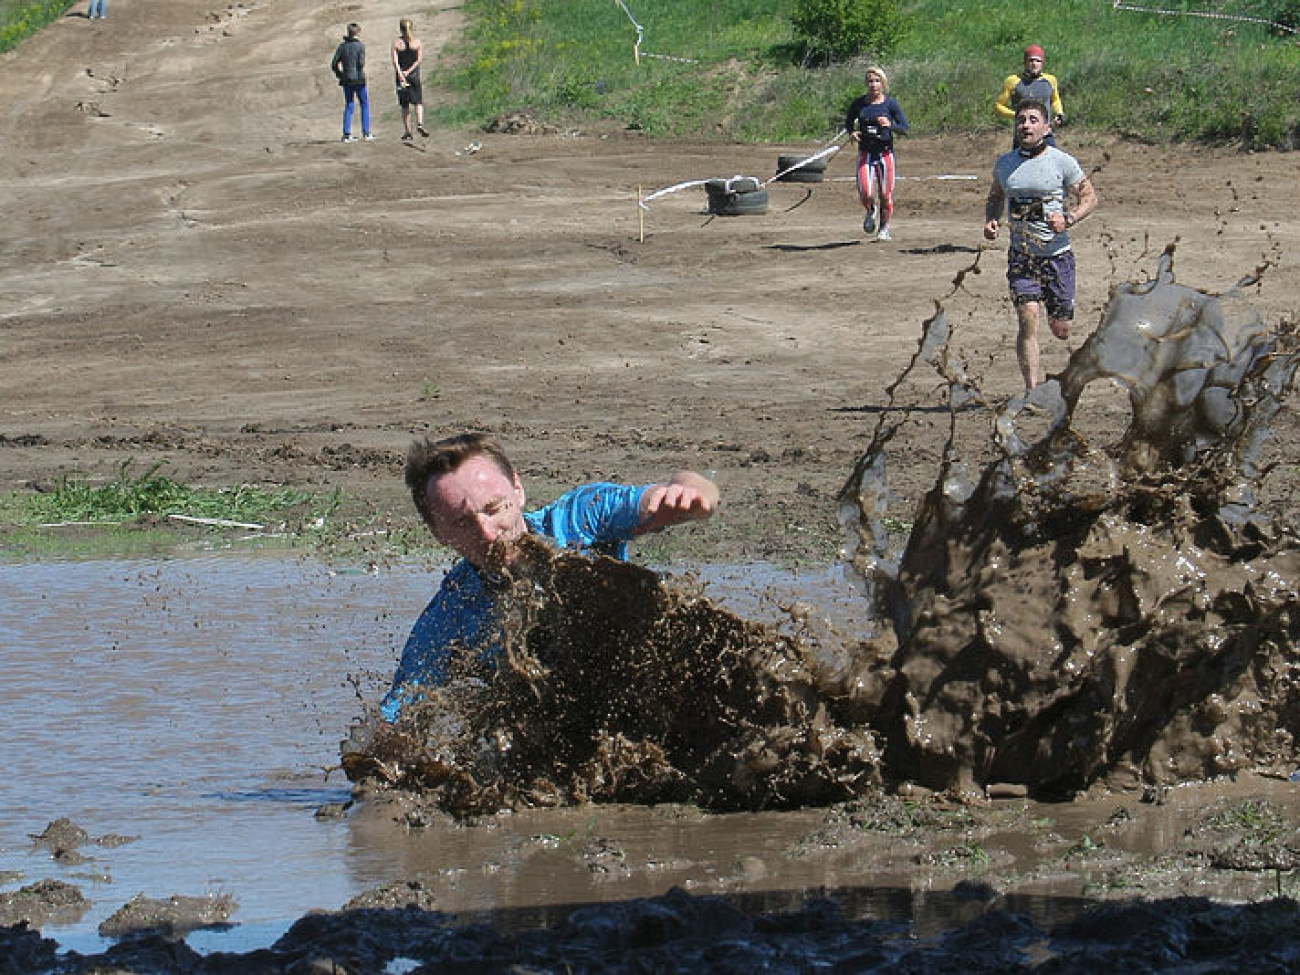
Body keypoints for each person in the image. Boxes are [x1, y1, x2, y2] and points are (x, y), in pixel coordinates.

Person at [381, 432, 720, 720]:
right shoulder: (447, 618)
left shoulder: (578, 521)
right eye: (462, 523)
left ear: (517, 489)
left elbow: (674, 490)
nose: (487, 534)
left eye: (495, 509)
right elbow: (397, 716)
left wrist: (689, 492)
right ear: (438, 532)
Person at [983, 99, 1097, 391]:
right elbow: (996, 196)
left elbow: (1090, 198)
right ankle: (1032, 390)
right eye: (1021, 120)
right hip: (1022, 257)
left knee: (1061, 329)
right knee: (1027, 319)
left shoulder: (1062, 161)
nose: (1026, 125)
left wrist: (1068, 219)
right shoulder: (1005, 164)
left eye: (1033, 120)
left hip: (1056, 257)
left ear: (1046, 127)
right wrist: (992, 219)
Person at [844, 66, 909, 242]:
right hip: (865, 153)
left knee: (886, 194)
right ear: (866, 83)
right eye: (870, 81)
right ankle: (870, 209)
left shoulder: (890, 104)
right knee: (865, 191)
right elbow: (848, 123)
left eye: (877, 81)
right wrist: (852, 133)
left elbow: (905, 128)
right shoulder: (859, 104)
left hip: (885, 154)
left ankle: (884, 227)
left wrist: (889, 125)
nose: (874, 84)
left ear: (883, 83)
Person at [994, 44, 1065, 147]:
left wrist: (1059, 113)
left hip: (1045, 133)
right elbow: (998, 106)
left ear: (1042, 63)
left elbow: (1054, 99)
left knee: (1050, 161)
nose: (1034, 64)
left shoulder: (1050, 80)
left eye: (1038, 61)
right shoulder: (1013, 81)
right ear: (1025, 62)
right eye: (1031, 60)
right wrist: (1018, 116)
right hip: (1023, 133)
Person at [331, 22, 372, 143]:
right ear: (358, 33)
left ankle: (346, 133)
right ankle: (366, 132)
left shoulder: (342, 47)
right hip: (359, 79)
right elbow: (361, 63)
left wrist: (340, 75)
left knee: (349, 105)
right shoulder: (360, 46)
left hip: (347, 79)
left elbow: (334, 64)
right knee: (364, 104)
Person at [391, 19, 430, 142]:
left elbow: (395, 61)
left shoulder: (396, 43)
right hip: (414, 76)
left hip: (401, 77)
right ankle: (420, 123)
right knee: (418, 101)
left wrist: (401, 73)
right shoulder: (417, 42)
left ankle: (408, 131)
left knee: (405, 104)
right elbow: (418, 60)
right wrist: (409, 71)